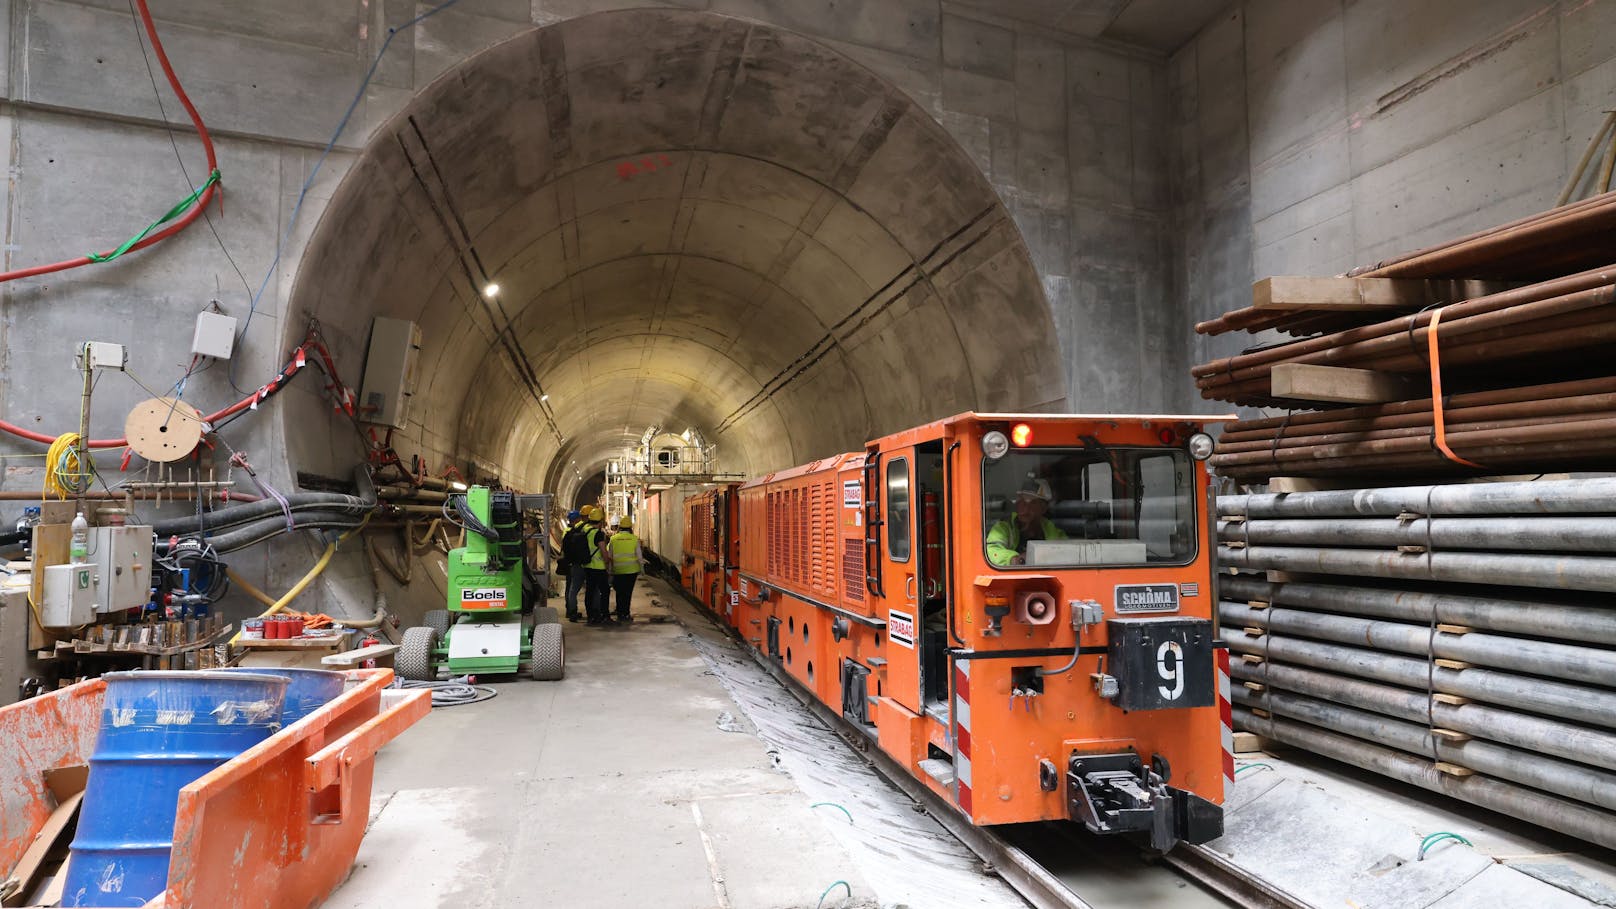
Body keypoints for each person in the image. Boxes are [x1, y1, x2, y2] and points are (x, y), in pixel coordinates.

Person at [986, 480, 1066, 567]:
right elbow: (990, 550)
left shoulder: (1050, 529)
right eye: (1022, 501)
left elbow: (1066, 551)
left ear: (1043, 508)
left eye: (1032, 503)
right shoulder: (1004, 527)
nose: (1025, 508)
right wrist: (1015, 559)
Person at [607, 517, 645, 626]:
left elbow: (610, 557)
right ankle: (626, 614)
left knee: (619, 593)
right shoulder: (634, 539)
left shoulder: (613, 539)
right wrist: (642, 570)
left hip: (618, 570)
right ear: (630, 527)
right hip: (631, 572)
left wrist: (609, 571)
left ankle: (620, 614)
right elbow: (639, 556)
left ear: (620, 527)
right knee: (628, 593)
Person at [583, 507, 614, 626]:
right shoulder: (599, 534)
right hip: (598, 568)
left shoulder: (585, 531)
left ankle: (590, 616)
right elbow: (603, 551)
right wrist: (608, 561)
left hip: (587, 567)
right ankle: (605, 615)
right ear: (600, 521)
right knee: (605, 591)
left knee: (589, 592)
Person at [559, 510, 588, 622]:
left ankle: (571, 611)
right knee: (589, 589)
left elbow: (564, 547)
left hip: (571, 562)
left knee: (570, 589)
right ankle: (593, 611)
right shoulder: (583, 530)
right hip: (582, 563)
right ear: (578, 519)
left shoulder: (566, 531)